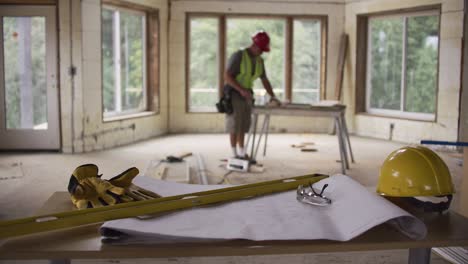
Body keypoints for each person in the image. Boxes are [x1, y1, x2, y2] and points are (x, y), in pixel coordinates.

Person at [224, 31, 280, 159]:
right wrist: (241, 90)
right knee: (234, 124)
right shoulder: (239, 56)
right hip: (233, 93)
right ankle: (234, 154)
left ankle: (242, 152)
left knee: (244, 124)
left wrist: (273, 96)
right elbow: (227, 76)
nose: (262, 53)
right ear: (254, 45)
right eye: (261, 50)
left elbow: (264, 80)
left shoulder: (259, 61)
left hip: (247, 94)